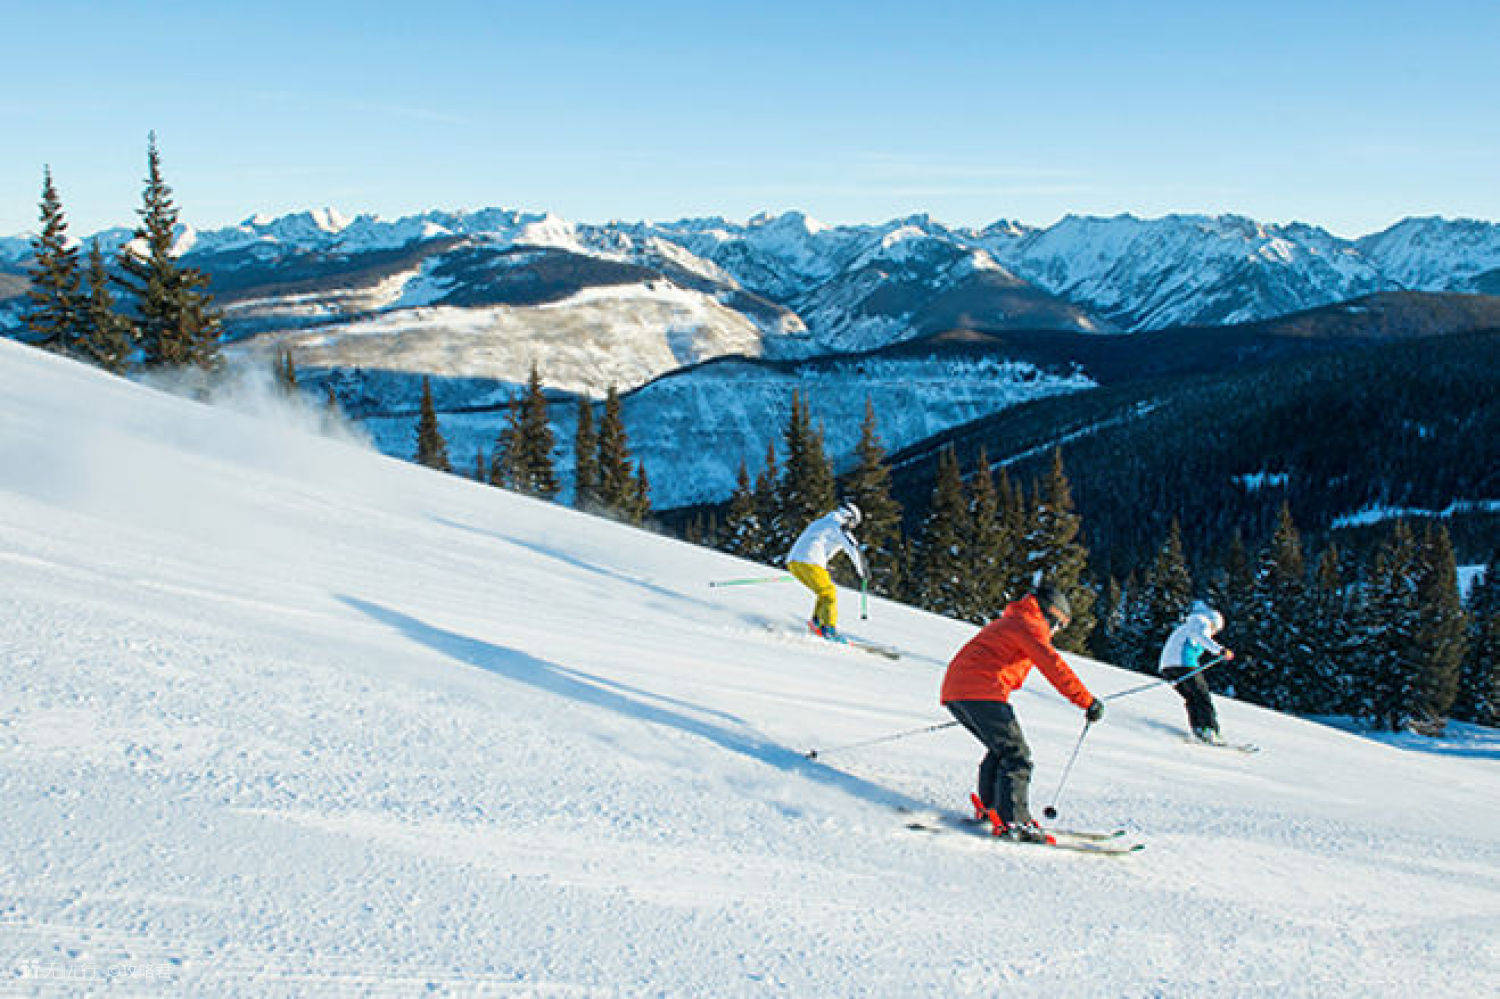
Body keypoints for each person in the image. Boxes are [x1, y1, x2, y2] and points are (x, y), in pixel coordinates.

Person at [939, 583, 1105, 843]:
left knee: (1002, 750)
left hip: (958, 690)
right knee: (1017, 756)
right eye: (1059, 626)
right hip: (980, 689)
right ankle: (1014, 821)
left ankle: (991, 807)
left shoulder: (1015, 619)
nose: (1056, 632)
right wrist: (1086, 701)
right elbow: (1053, 666)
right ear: (1052, 615)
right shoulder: (1030, 625)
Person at [786, 502, 866, 643]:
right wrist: (863, 571)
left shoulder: (823, 522)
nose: (852, 528)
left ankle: (816, 622)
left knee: (824, 592)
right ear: (849, 518)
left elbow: (822, 544)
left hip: (794, 562)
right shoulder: (839, 525)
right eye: (853, 524)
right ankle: (829, 629)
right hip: (810, 561)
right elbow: (853, 547)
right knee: (829, 592)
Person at [1159, 600, 1235, 744]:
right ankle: (1210, 731)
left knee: (1192, 697)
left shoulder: (1188, 625)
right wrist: (1220, 650)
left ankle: (1198, 728)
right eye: (1215, 631)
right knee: (1202, 695)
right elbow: (1201, 637)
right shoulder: (1202, 623)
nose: (1213, 633)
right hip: (1183, 664)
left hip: (1168, 667)